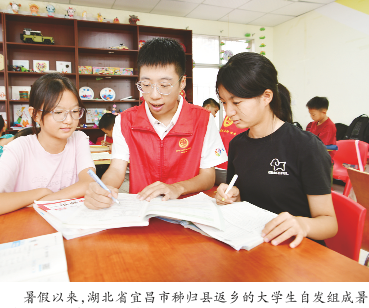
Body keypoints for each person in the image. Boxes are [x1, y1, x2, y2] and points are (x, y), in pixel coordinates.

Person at [84, 37, 227, 209]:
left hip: (188, 211)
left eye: (164, 85)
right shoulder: (125, 121)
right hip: (142, 212)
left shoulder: (203, 120)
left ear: (182, 82)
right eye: (145, 84)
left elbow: (208, 177)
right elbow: (116, 169)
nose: (154, 95)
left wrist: (177, 188)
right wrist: (103, 189)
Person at [215, 52, 337, 248]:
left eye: (236, 102)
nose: (228, 112)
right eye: (224, 102)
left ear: (266, 97)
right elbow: (243, 199)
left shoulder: (306, 146)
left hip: (297, 250)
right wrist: (232, 197)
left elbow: (330, 224)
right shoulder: (237, 145)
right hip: (254, 246)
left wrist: (302, 224)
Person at [0, 73, 96, 220]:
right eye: (58, 112)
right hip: (24, 225)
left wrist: (46, 200)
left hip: (66, 224)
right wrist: (40, 192)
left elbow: (89, 182)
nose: (69, 120)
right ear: (35, 115)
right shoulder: (19, 147)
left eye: (75, 111)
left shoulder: (79, 139)